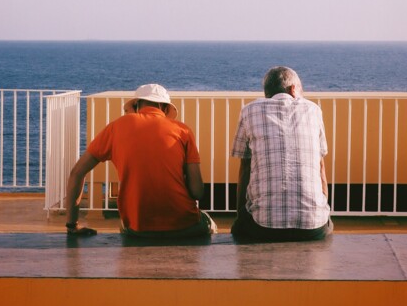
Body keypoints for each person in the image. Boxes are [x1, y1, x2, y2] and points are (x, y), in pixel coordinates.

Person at [65, 83, 216, 238]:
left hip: (138, 229)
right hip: (184, 226)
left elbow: (76, 173)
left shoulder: (116, 127)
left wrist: (72, 226)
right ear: (163, 107)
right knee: (210, 224)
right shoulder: (183, 131)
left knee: (123, 225)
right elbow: (197, 191)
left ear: (137, 105)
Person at [231, 66, 332, 241]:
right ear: (293, 89)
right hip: (313, 227)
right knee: (326, 225)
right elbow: (320, 166)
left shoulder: (249, 110)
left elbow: (245, 167)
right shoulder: (313, 110)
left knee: (240, 229)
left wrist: (241, 216)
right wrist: (322, 210)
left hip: (263, 227)